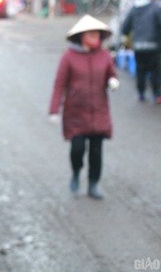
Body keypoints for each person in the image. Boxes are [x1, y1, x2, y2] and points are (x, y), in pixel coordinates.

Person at [49, 15, 120, 200]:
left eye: (96, 34)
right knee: (77, 150)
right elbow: (59, 84)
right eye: (90, 34)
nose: (94, 37)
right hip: (76, 114)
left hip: (99, 113)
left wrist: (113, 81)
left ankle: (93, 184)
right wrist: (54, 110)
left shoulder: (104, 55)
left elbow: (112, 75)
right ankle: (76, 172)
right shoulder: (69, 57)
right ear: (81, 36)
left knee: (96, 153)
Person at [120, 0, 161, 104]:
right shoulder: (155, 7)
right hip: (153, 45)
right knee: (155, 70)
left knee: (140, 70)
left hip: (138, 46)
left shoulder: (134, 9)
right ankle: (157, 95)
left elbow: (125, 28)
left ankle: (141, 93)